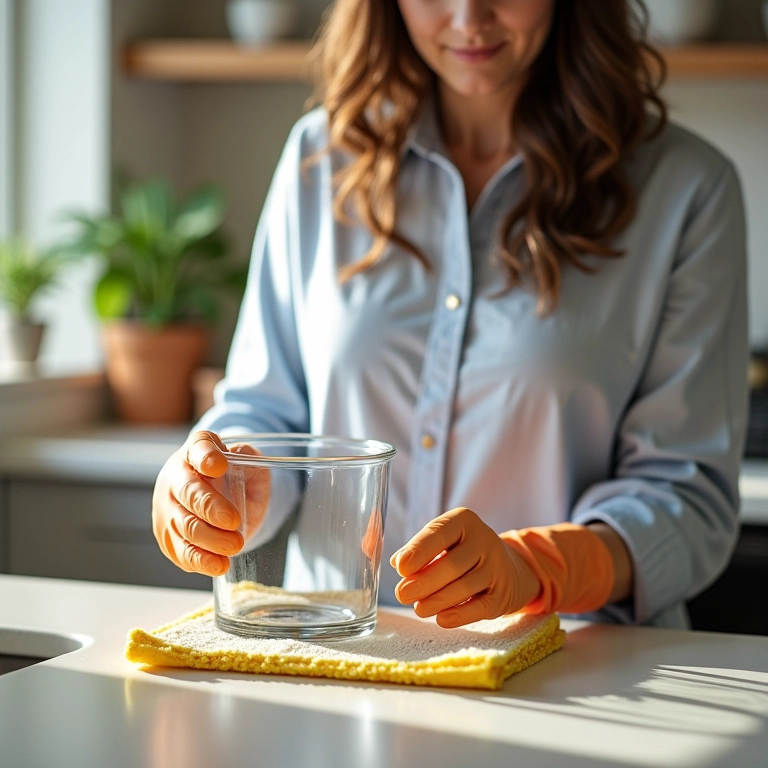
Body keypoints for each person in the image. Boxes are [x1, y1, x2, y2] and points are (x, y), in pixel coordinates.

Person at [152, 0, 748, 630]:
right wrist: (216, 486)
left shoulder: (688, 190)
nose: (469, 17)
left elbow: (689, 501)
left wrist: (534, 567)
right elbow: (264, 410)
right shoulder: (319, 159)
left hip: (574, 679)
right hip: (338, 661)